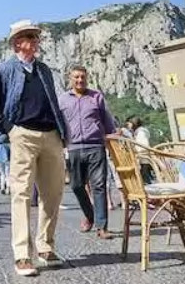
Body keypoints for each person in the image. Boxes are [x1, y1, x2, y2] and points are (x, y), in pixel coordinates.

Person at [0, 20, 70, 278]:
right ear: (17, 42)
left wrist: (62, 134)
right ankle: (22, 254)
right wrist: (10, 129)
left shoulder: (44, 71)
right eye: (29, 37)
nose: (35, 41)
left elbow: (54, 104)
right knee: (21, 194)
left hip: (51, 136)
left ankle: (45, 246)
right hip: (22, 135)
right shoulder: (3, 70)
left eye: (36, 37)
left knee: (53, 194)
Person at [58, 66, 117, 239]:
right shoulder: (62, 100)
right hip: (73, 148)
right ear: (70, 78)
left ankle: (102, 227)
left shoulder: (96, 96)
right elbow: (59, 123)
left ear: (87, 78)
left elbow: (107, 120)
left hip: (96, 146)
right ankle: (90, 216)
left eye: (83, 77)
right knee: (76, 186)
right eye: (76, 77)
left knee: (98, 186)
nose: (80, 80)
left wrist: (112, 140)